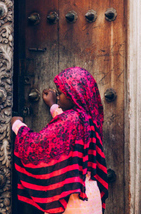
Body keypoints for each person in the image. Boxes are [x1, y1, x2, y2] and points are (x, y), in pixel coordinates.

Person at [11, 67, 108, 214]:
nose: (57, 96)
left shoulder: (70, 120)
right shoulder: (89, 119)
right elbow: (67, 128)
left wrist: (17, 125)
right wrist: (54, 106)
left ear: (73, 95)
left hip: (72, 199)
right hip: (90, 195)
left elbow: (37, 144)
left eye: (61, 93)